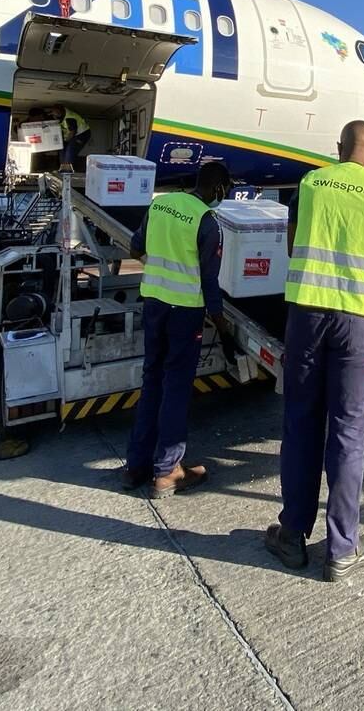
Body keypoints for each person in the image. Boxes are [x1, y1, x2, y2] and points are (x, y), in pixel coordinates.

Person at [265, 120, 364, 583]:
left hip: (307, 314)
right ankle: (342, 548)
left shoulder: (309, 183)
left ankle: (291, 535)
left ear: (338, 148)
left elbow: (292, 243)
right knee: (349, 431)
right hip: (358, 322)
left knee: (301, 421)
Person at [125, 161, 233, 499]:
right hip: (184, 313)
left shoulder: (161, 203)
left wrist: (160, 268)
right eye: (224, 191)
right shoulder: (208, 223)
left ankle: (136, 466)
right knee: (175, 388)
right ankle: (167, 471)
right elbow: (209, 283)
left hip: (154, 303)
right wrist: (222, 325)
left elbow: (135, 248)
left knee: (151, 380)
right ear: (217, 189)